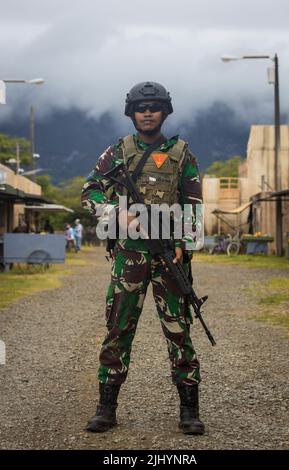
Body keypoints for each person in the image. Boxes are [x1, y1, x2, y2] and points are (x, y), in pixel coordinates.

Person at [81, 81, 204, 435]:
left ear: (165, 111)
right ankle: (106, 408)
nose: (147, 112)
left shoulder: (182, 153)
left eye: (154, 106)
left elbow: (192, 205)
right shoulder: (118, 151)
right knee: (118, 328)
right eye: (141, 106)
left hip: (169, 255)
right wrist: (114, 214)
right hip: (130, 253)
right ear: (131, 113)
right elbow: (89, 190)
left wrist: (185, 243)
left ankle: (189, 410)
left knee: (178, 330)